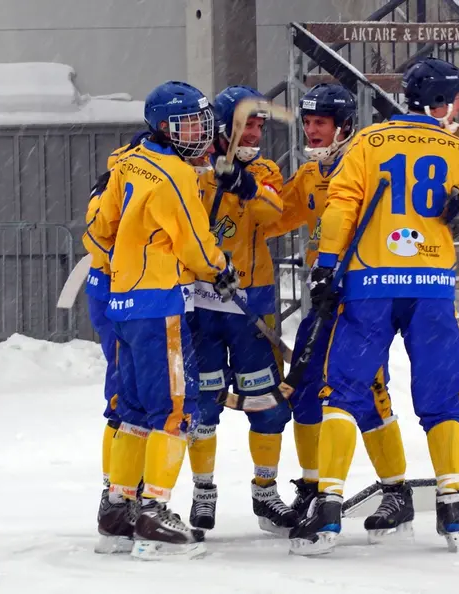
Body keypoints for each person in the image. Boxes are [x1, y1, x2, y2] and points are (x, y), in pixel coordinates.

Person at [289, 57, 459, 555]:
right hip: (432, 284)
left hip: (370, 283)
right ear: (440, 101)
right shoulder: (458, 149)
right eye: (455, 97)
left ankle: (329, 511)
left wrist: (324, 265)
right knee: (441, 391)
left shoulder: (366, 144)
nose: (458, 105)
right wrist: (457, 195)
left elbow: (340, 208)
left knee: (342, 388)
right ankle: (450, 504)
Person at [85, 80, 238, 559]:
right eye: (188, 123)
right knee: (175, 409)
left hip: (123, 304)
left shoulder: (127, 162)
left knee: (132, 411)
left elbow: (97, 229)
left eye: (201, 121)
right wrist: (220, 269)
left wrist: (124, 262)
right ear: (165, 127)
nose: (199, 132)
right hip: (158, 306)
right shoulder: (174, 174)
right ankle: (154, 512)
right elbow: (195, 241)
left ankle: (118, 509)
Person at [267, 84, 411, 528]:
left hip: (361, 298)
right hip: (321, 298)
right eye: (308, 123)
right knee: (306, 391)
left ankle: (397, 491)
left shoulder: (365, 165)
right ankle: (313, 487)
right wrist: (242, 191)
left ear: (343, 126)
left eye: (320, 123)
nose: (311, 131)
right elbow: (275, 219)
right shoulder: (310, 174)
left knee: (368, 392)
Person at [186, 85, 297, 538]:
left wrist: (245, 184)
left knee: (267, 402)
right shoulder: (191, 171)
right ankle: (203, 490)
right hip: (200, 302)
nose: (254, 133)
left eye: (258, 125)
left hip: (253, 300)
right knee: (202, 402)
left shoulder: (265, 169)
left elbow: (276, 215)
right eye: (246, 124)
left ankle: (265, 491)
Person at [83, 130, 149, 531]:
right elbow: (98, 237)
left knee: (127, 390)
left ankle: (121, 490)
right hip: (117, 291)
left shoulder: (120, 174)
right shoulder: (119, 179)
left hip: (123, 291)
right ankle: (115, 494)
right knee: (125, 393)